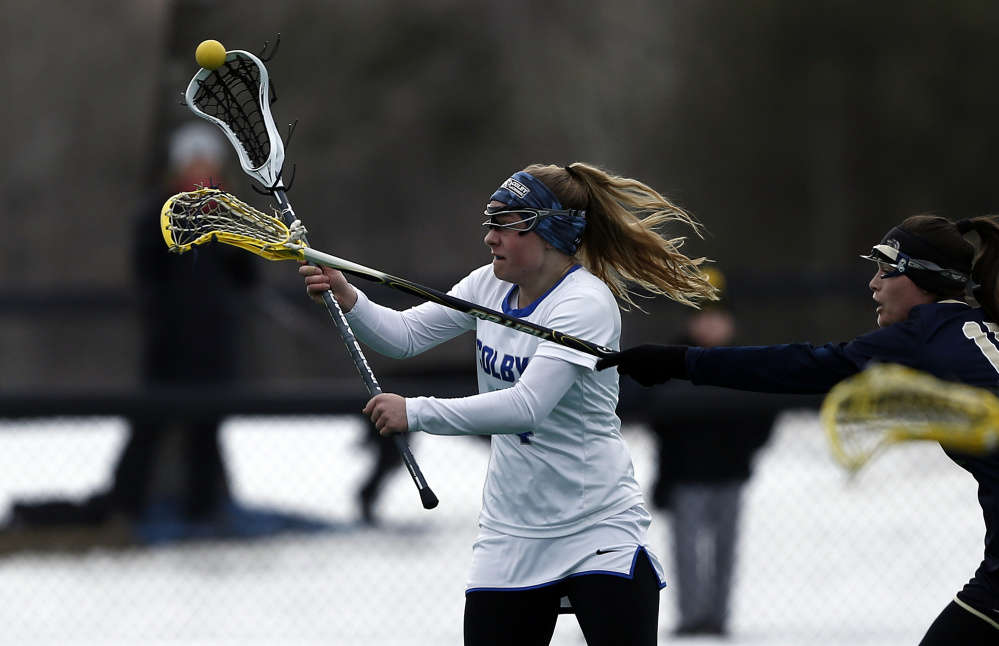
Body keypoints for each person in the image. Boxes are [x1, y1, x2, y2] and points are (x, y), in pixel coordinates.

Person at [300, 162, 716, 646]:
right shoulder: (487, 285)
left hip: (596, 526)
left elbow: (527, 406)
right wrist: (349, 296)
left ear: (550, 229)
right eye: (489, 222)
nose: (489, 237)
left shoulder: (585, 303)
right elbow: (405, 337)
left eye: (504, 223)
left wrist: (417, 412)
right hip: (510, 531)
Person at [598, 214, 999, 645]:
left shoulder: (922, 335)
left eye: (887, 269)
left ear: (923, 277)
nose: (874, 283)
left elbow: (800, 364)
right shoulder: (978, 325)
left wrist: (682, 361)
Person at [643, 268, 774, 638]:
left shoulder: (748, 361)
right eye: (702, 317)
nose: (710, 325)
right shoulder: (672, 360)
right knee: (686, 550)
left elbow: (765, 413)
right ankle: (690, 618)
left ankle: (717, 618)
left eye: (718, 317)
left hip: (731, 473)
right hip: (686, 476)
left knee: (724, 551)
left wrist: (745, 450)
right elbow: (658, 418)